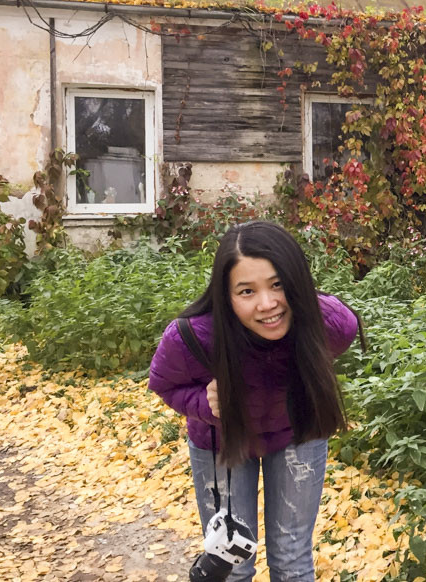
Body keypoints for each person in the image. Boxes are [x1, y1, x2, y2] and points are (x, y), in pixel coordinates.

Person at [148, 221, 365, 582]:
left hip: (298, 431)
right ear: (225, 295)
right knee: (231, 562)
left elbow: (339, 331)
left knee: (293, 560)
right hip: (224, 441)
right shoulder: (193, 337)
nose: (267, 305)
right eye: (246, 291)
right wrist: (205, 404)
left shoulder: (327, 324)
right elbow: (164, 385)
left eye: (278, 284)